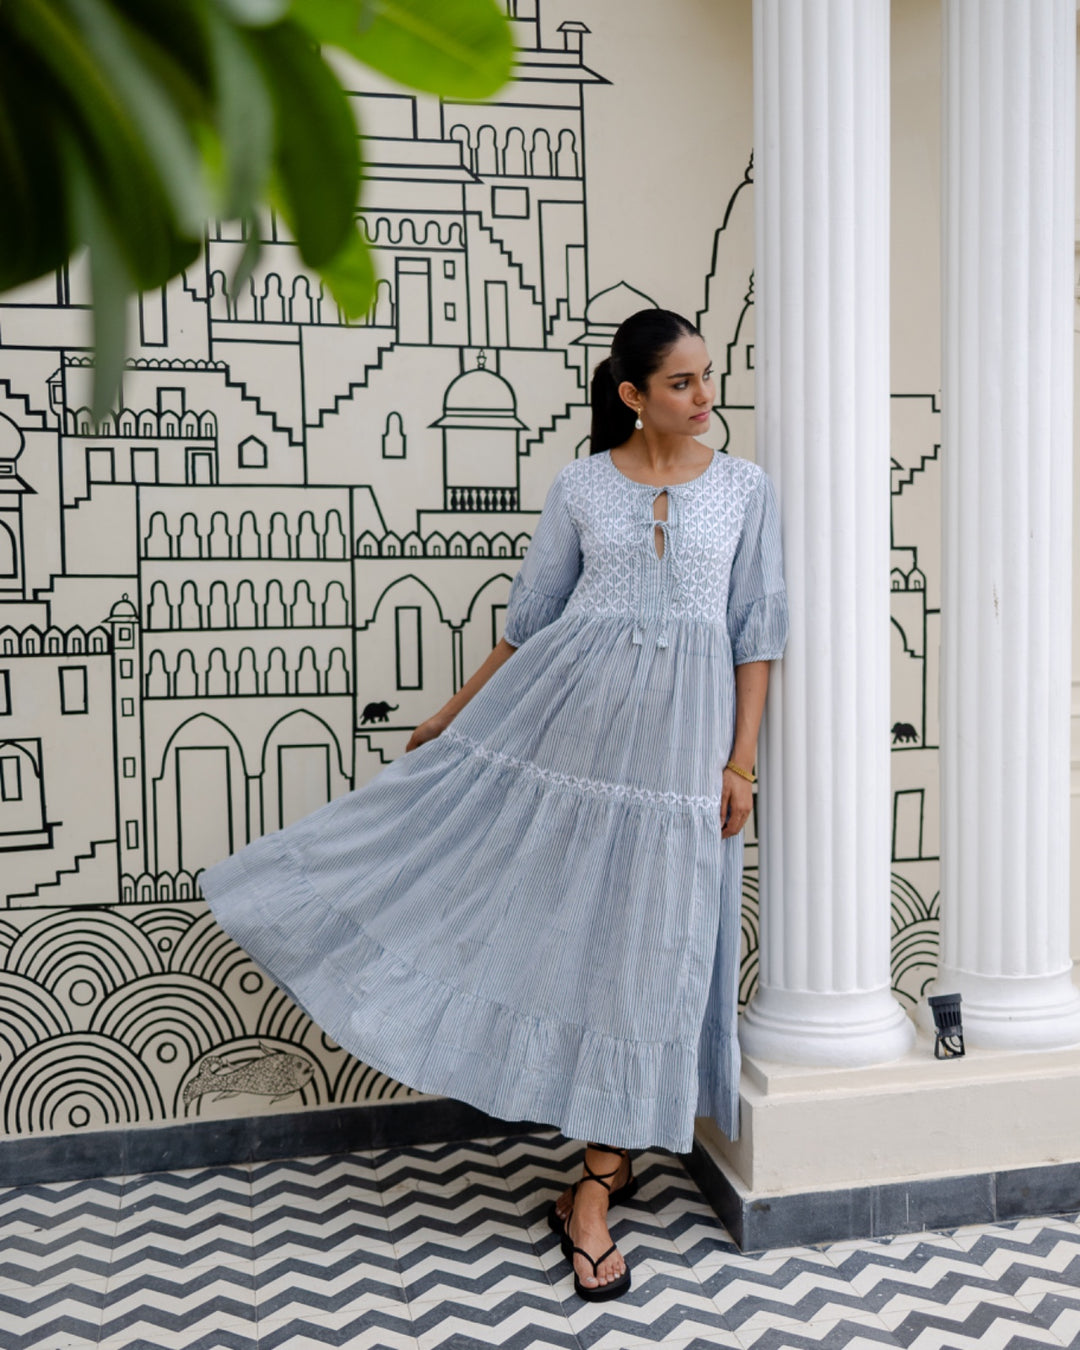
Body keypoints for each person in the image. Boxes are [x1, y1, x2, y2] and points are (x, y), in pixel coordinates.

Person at [199, 308, 788, 1301]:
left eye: (707, 377)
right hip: (567, 743)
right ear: (632, 394)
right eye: (682, 383)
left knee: (653, 964)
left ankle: (596, 1188)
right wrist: (452, 716)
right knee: (579, 947)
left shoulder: (744, 489)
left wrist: (741, 765)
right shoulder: (581, 487)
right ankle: (591, 1192)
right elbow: (530, 625)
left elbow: (755, 631)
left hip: (678, 770)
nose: (705, 398)